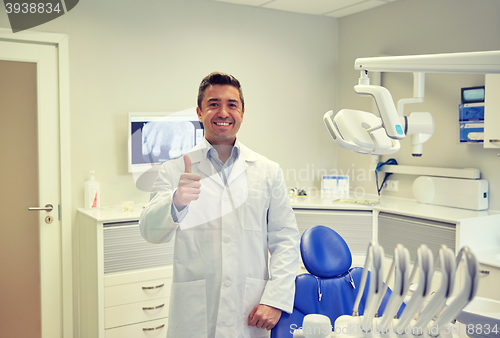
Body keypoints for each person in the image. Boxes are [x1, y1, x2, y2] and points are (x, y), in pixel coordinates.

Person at [139, 72, 300, 338]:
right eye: (213, 104)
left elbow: (286, 240)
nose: (222, 112)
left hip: (250, 309)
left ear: (243, 112)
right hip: (195, 312)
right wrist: (176, 201)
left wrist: (275, 300)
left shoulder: (267, 170)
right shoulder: (173, 169)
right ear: (199, 112)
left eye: (231, 104)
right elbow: (149, 232)